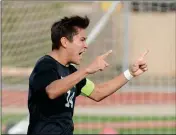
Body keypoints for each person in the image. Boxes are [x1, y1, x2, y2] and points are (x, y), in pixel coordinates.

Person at [27, 15, 148, 135]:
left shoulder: (71, 72)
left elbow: (98, 92)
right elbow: (52, 91)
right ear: (64, 42)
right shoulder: (45, 65)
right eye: (82, 39)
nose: (86, 45)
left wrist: (130, 73)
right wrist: (87, 69)